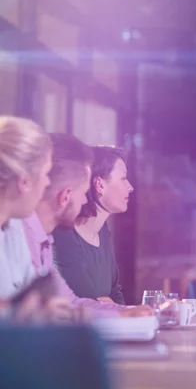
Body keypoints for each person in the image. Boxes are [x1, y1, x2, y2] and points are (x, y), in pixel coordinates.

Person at [23, 134, 150, 317]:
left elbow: (71, 303)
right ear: (65, 196)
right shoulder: (29, 236)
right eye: (82, 192)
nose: (84, 199)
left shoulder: (40, 239)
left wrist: (126, 312)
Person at [0, 115, 81, 324]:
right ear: (24, 181)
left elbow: (27, 298)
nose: (47, 183)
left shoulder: (14, 227)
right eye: (46, 174)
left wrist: (47, 309)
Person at [53, 146, 133, 304]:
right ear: (100, 185)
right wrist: (110, 307)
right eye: (123, 178)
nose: (130, 187)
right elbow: (84, 301)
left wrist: (111, 307)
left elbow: (115, 292)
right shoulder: (62, 233)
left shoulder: (102, 230)